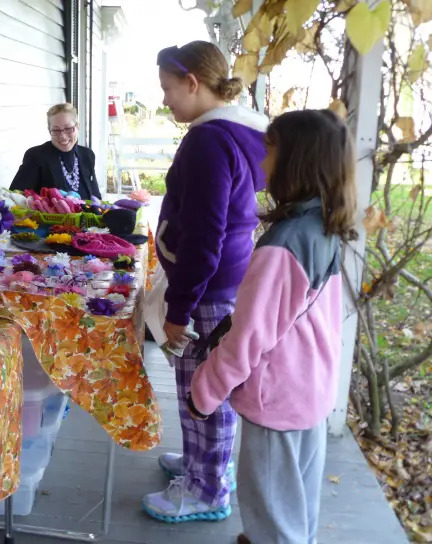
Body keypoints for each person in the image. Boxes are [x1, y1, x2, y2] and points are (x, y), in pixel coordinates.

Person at [188, 109, 358, 543]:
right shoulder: (323, 226)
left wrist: (203, 393)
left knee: (272, 516)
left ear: (296, 161)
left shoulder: (283, 246)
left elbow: (248, 340)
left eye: (270, 151)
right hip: (311, 390)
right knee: (296, 502)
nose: (263, 163)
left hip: (278, 399)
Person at [142, 41, 268, 523]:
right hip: (226, 281)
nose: (166, 100)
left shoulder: (208, 141)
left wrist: (177, 311)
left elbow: (204, 234)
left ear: (193, 82)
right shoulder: (237, 130)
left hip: (208, 290)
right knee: (202, 385)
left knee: (206, 391)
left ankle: (207, 489)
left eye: (168, 89)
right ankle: (200, 464)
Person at [10, 103, 101, 200]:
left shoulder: (87, 155)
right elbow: (15, 196)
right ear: (49, 130)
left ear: (77, 127)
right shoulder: (36, 156)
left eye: (68, 128)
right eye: (56, 130)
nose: (63, 136)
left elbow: (96, 198)